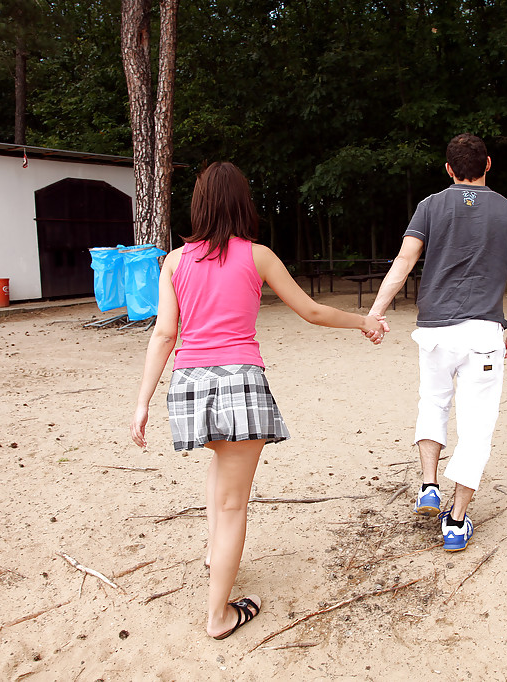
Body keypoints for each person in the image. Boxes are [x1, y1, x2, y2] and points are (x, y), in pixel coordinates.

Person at [130, 161, 386, 640]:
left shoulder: (174, 261)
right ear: (242, 204)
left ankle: (213, 553)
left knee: (219, 471)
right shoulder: (257, 256)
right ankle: (218, 615)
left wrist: (143, 400)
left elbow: (165, 333)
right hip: (239, 385)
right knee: (233, 507)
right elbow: (310, 311)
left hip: (188, 385)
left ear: (200, 205)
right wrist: (365, 321)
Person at [365, 133, 507, 552]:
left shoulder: (430, 206)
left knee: (433, 402)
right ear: (488, 164)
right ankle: (456, 521)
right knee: (476, 426)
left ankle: (428, 484)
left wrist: (376, 312)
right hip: (483, 335)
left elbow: (404, 262)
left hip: (436, 332)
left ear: (448, 169)